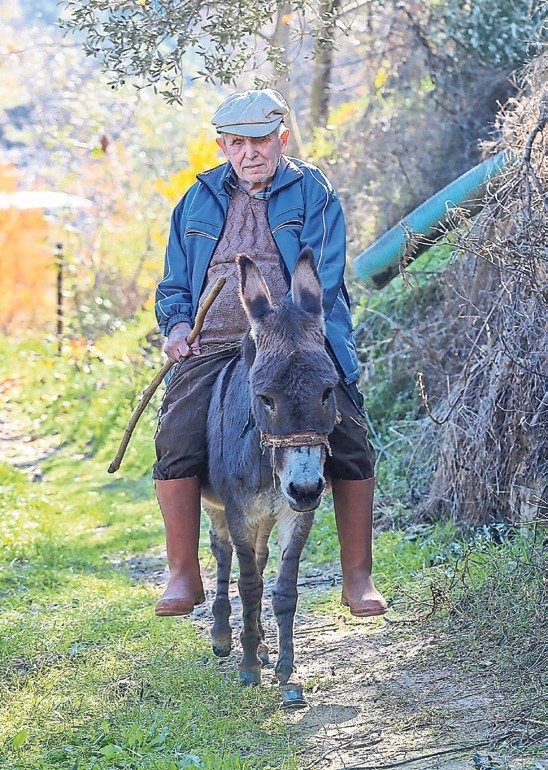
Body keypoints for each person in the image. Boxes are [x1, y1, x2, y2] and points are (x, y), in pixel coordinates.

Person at [153, 88, 388, 619]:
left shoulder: (312, 191)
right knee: (176, 437)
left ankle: (358, 577)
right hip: (213, 345)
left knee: (350, 438)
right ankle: (182, 573)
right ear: (221, 146)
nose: (249, 153)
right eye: (236, 143)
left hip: (296, 342)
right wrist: (178, 326)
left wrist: (284, 331)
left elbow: (322, 277)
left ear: (281, 139)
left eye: (259, 141)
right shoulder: (195, 200)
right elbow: (173, 284)